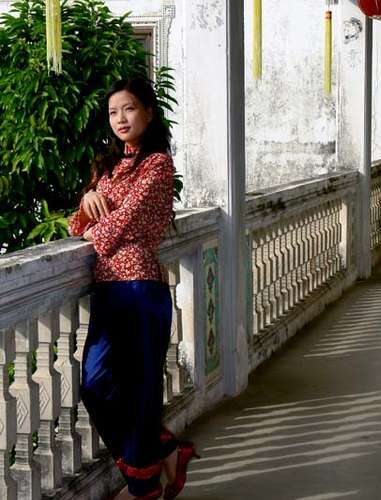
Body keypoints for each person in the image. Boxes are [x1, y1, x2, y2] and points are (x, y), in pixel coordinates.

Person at [68, 77, 199, 500]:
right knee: (94, 384)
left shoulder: (157, 165)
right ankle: (166, 450)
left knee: (141, 389)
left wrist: (95, 223)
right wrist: (87, 203)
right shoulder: (107, 169)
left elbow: (115, 228)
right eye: (113, 112)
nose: (120, 118)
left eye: (128, 108)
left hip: (141, 287)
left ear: (148, 112)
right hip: (108, 288)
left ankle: (143, 487)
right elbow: (77, 226)